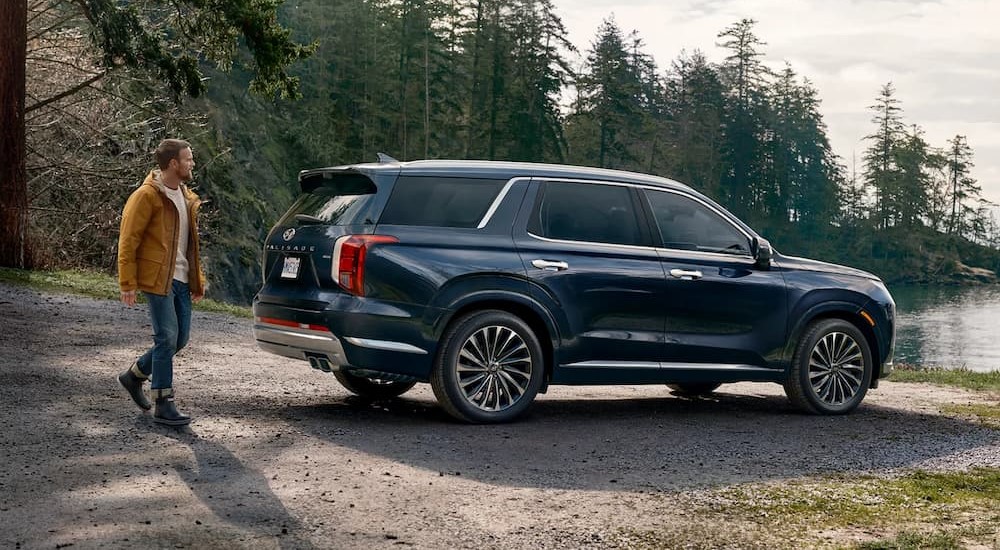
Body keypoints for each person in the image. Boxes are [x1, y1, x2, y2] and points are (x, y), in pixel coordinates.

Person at [116, 139, 206, 426]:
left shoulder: (187, 196)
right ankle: (163, 402)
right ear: (173, 164)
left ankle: (134, 375)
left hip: (181, 279)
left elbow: (190, 245)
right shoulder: (146, 196)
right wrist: (127, 281)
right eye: (188, 159)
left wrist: (196, 280)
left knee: (179, 339)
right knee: (166, 338)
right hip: (157, 279)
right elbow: (128, 240)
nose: (192, 164)